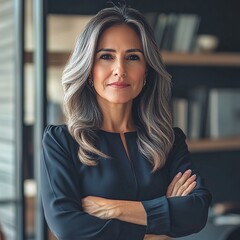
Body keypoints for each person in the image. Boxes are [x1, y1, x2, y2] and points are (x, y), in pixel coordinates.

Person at [41, 3, 211, 240]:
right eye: (106, 56)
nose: (119, 70)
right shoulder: (61, 142)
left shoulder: (169, 141)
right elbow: (68, 227)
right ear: (89, 69)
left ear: (146, 71)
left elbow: (196, 212)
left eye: (132, 57)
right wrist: (158, 230)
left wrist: (114, 209)